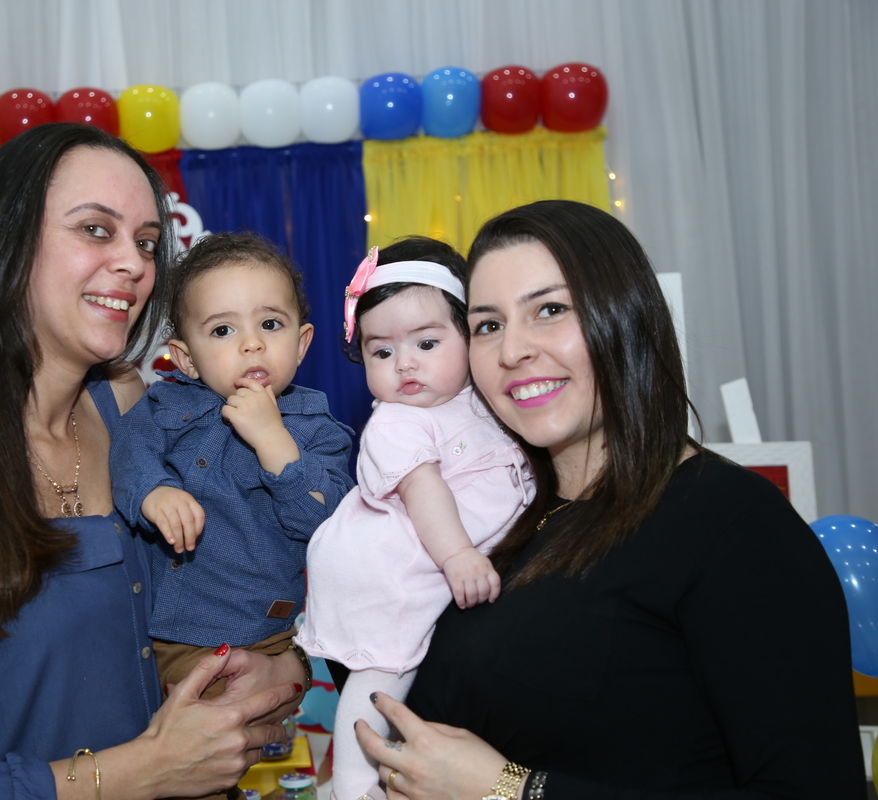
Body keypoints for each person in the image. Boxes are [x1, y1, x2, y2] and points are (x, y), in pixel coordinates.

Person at [0, 123, 307, 800]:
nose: (135, 264)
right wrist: (141, 772)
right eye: (96, 230)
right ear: (7, 242)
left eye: (146, 242)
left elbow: (246, 570)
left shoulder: (130, 406)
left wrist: (281, 668)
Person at [354, 200, 866, 799]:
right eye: (488, 325)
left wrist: (508, 790)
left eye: (550, 310)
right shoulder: (496, 515)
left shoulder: (734, 521)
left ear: (626, 317)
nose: (512, 350)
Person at [294, 237, 533, 800]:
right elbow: (425, 490)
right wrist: (458, 555)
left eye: (427, 343)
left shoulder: (479, 403)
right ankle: (352, 786)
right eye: (381, 352)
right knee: (382, 682)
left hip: (437, 562)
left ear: (469, 335)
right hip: (394, 575)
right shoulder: (396, 423)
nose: (404, 364)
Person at [110, 232, 353, 707]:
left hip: (253, 637)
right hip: (150, 628)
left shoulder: (317, 429)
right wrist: (153, 491)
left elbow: (326, 524)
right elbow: (127, 450)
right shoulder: (163, 405)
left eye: (270, 324)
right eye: (223, 331)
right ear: (186, 358)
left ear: (301, 343)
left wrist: (273, 441)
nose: (252, 344)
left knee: (212, 733)